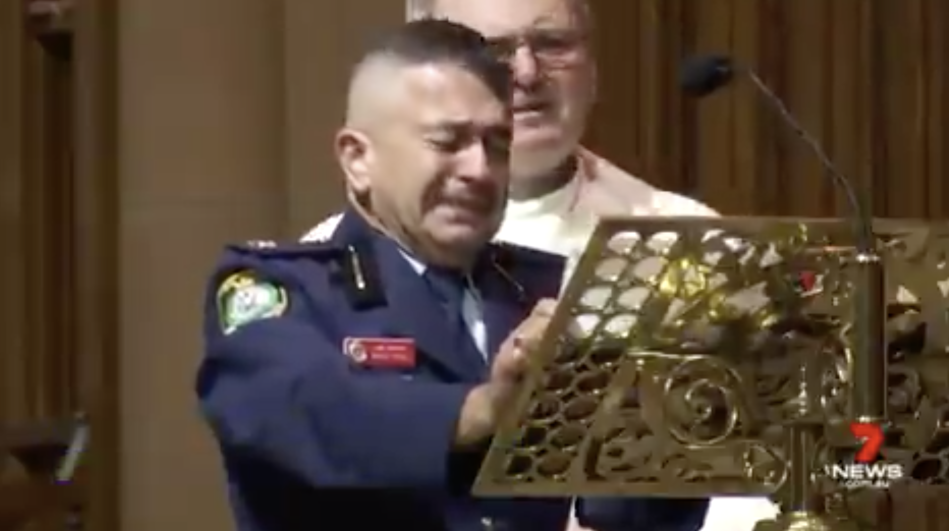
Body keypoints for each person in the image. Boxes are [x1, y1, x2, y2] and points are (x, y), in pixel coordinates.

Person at [197, 19, 708, 531]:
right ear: (357, 159)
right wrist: (481, 409)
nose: (479, 170)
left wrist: (674, 415)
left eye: (497, 144)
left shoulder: (533, 296)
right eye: (448, 142)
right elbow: (300, 414)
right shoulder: (284, 291)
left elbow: (620, 516)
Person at [301, 1, 781, 530]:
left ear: (593, 70)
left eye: (552, 44)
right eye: (495, 51)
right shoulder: (335, 264)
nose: (526, 74)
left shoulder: (691, 240)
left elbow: (746, 470)